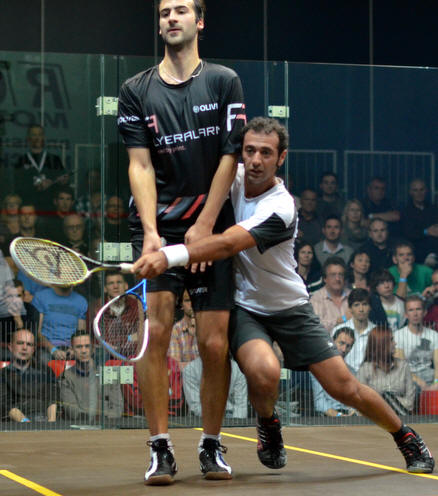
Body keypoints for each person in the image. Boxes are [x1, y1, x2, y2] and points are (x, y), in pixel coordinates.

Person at [133, 116, 434, 475]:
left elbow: (228, 244)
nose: (256, 160)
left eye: (266, 152)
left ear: (281, 157)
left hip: (290, 307)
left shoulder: (281, 207)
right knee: (264, 371)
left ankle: (405, 437)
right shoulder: (231, 179)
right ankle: (269, 423)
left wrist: (168, 256)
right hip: (245, 308)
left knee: (344, 387)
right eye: (249, 151)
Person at [117, 0, 246, 484]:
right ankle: (160, 448)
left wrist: (206, 224)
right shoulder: (135, 90)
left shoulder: (224, 81)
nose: (171, 18)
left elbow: (231, 156)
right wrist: (152, 232)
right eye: (164, 12)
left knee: (214, 343)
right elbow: (140, 164)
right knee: (156, 335)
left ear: (200, 21)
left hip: (212, 228)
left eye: (181, 11)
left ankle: (211, 444)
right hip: (160, 228)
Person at [60, 330, 123, 421]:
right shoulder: (66, 377)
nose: (83, 351)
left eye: (87, 346)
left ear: (93, 349)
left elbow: (118, 410)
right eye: (79, 347)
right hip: (81, 426)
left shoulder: (109, 374)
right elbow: (73, 412)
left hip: (109, 426)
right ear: (72, 350)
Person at [0, 329, 57, 422]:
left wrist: (51, 423)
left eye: (29, 344)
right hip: (17, 424)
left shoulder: (46, 371)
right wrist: (27, 424)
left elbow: (52, 399)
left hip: (44, 420)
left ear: (33, 349)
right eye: (20, 343)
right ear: (10, 347)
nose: (24, 348)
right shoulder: (2, 375)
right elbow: (6, 405)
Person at [358, 327, 416, 416]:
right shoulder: (365, 369)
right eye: (391, 340)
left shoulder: (403, 367)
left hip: (400, 416)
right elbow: (359, 402)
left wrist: (388, 402)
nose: (395, 343)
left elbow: (410, 402)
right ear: (381, 344)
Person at [14, 124, 69, 213]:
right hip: (28, 208)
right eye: (34, 135)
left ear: (43, 138)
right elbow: (17, 187)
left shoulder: (54, 159)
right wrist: (36, 186)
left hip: (51, 209)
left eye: (40, 134)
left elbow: (63, 186)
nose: (37, 137)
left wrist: (60, 182)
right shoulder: (21, 161)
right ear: (28, 138)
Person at [33, 285, 87, 365]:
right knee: (46, 363)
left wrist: (74, 349)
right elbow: (37, 332)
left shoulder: (81, 301)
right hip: (46, 347)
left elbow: (81, 335)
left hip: (71, 349)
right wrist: (53, 350)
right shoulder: (41, 297)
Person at [394, 296, 438, 393]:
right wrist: (419, 382)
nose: (415, 314)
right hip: (407, 377)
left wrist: (436, 383)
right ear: (406, 314)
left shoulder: (434, 335)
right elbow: (401, 367)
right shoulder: (398, 335)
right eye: (411, 310)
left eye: (418, 309)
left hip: (429, 375)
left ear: (424, 312)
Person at [310, 327, 356, 417]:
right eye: (341, 343)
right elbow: (319, 402)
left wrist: (354, 411)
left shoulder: (352, 371)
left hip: (349, 416)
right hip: (329, 417)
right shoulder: (318, 368)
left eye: (348, 346)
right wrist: (338, 415)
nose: (344, 349)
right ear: (332, 342)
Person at [183, 357, 247, 419]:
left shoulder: (237, 369)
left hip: (232, 417)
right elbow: (195, 406)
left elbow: (241, 406)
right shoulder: (190, 369)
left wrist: (235, 423)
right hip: (200, 418)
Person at [332, 289, 376, 373]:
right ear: (350, 308)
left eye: (365, 304)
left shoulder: (376, 332)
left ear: (370, 307)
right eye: (356, 305)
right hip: (344, 375)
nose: (361, 309)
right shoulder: (338, 330)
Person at [400, 179, 438, 264]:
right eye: (415, 190)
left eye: (421, 189)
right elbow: (407, 233)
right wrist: (426, 231)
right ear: (410, 192)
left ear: (426, 191)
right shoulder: (405, 211)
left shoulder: (434, 209)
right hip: (417, 254)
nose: (419, 193)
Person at [310, 257, 351, 333]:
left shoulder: (352, 296)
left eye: (341, 275)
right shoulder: (316, 298)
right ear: (325, 278)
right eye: (333, 275)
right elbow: (315, 327)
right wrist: (342, 319)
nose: (337, 279)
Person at [168, 290, 198, 370]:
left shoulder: (206, 327)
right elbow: (175, 366)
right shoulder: (176, 330)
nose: (192, 304)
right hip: (185, 376)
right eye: (188, 300)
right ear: (181, 305)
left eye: (195, 300)